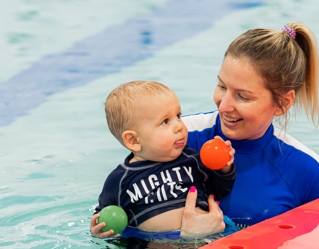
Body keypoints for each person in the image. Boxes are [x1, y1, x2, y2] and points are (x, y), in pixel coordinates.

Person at [182, 22, 319, 231]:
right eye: (222, 86)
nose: (223, 105)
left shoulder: (305, 170)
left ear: (283, 103)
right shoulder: (180, 138)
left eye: (243, 96)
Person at [90, 81, 238, 240]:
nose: (179, 126)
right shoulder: (120, 181)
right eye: (165, 121)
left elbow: (218, 191)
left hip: (206, 237)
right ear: (133, 140)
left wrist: (224, 168)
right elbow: (104, 216)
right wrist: (100, 230)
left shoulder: (191, 160)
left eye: (178, 116)